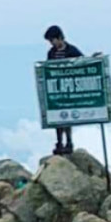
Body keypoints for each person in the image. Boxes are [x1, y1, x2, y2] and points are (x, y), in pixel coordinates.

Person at [44, 25, 83, 155]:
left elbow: (83, 63)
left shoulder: (72, 50)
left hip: (69, 89)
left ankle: (69, 142)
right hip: (56, 89)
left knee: (67, 117)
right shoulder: (51, 53)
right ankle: (59, 142)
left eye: (52, 40)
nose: (51, 43)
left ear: (59, 38)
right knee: (57, 118)